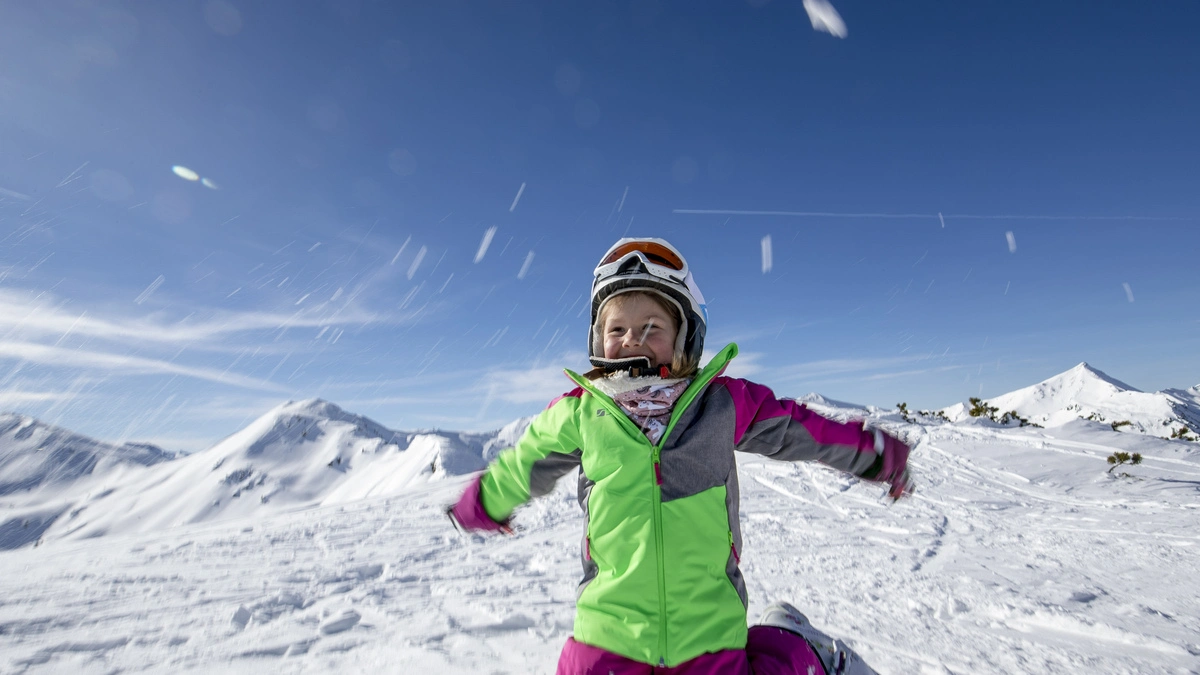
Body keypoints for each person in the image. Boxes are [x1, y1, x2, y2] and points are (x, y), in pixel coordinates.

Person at [449, 238, 910, 674]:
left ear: (685, 335)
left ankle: (795, 645)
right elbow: (525, 462)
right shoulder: (580, 412)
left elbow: (798, 429)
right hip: (608, 629)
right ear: (597, 338)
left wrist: (870, 454)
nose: (632, 339)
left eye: (651, 327)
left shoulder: (720, 404)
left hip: (706, 629)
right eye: (617, 328)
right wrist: (482, 502)